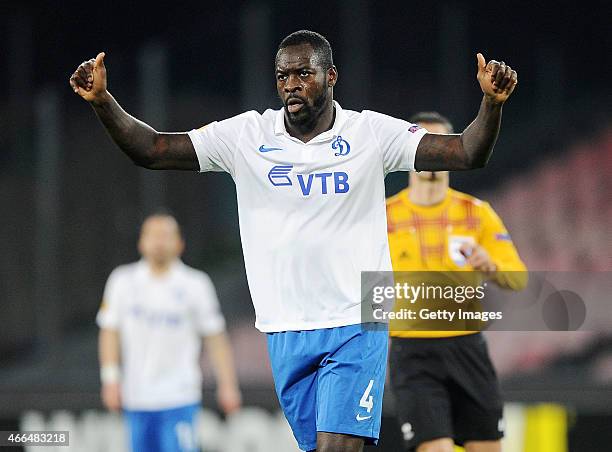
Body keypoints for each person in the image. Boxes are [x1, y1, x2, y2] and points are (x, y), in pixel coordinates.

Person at [71, 30, 518, 452]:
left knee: (337, 446)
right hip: (284, 323)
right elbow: (153, 149)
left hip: (357, 316)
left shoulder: (370, 133)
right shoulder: (246, 135)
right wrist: (103, 101)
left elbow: (465, 152)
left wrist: (491, 105)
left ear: (330, 76)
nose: (292, 85)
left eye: (304, 73)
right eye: (283, 76)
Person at [386, 112, 527, 452]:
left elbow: (517, 278)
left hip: (467, 348)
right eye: (424, 147)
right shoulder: (382, 217)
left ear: (454, 152)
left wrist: (491, 266)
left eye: (441, 146)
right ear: (408, 154)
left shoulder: (476, 212)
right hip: (412, 351)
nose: (433, 155)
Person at [97, 211, 241, 452]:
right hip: (137, 398)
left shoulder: (196, 284)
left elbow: (215, 338)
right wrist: (110, 379)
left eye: (166, 235)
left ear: (180, 243)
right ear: (141, 242)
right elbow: (109, 331)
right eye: (153, 235)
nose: (159, 241)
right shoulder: (122, 281)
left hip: (179, 397)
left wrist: (228, 384)